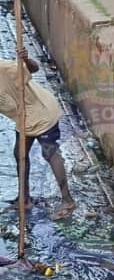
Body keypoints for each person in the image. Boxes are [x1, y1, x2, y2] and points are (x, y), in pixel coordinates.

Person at [2, 47, 76, 220]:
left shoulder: (4, 68)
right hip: (24, 118)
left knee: (49, 153)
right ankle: (24, 199)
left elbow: (34, 69)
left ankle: (68, 201)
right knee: (19, 154)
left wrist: (25, 60)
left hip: (42, 112)